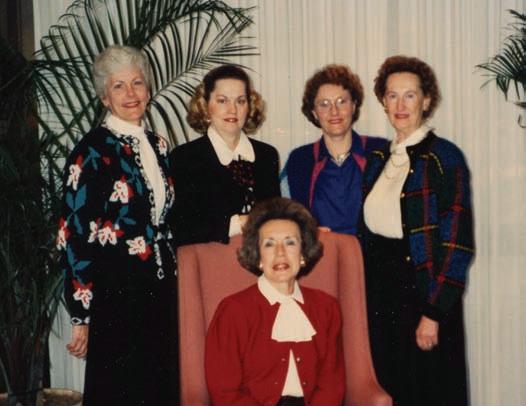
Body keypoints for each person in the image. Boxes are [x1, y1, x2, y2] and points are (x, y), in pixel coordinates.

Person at [56, 45, 177, 405]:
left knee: (160, 387)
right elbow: (73, 233)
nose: (130, 93)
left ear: (148, 89)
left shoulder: (159, 145)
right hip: (116, 293)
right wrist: (81, 314)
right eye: (118, 86)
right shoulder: (91, 150)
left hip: (161, 287)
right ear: (104, 97)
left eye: (137, 82)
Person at [361, 55, 474, 405]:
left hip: (424, 293)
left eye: (409, 95)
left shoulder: (444, 157)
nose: (400, 105)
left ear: (426, 101)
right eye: (392, 95)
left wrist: (433, 313)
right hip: (382, 294)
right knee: (390, 388)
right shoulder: (378, 160)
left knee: (429, 390)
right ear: (383, 101)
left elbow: (456, 245)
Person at [205, 197, 345, 405]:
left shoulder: (326, 308)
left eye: (290, 242)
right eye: (269, 244)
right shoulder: (233, 311)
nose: (280, 253)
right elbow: (224, 392)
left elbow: (331, 384)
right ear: (259, 257)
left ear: (303, 254)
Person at [170, 65, 281, 246]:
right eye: (222, 101)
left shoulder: (266, 155)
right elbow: (182, 228)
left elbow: (276, 216)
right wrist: (239, 223)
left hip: (262, 256)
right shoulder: (185, 157)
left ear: (249, 106)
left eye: (240, 101)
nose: (232, 110)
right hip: (211, 259)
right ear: (205, 106)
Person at [283, 64, 385, 235]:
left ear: (354, 105)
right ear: (314, 112)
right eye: (324, 104)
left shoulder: (379, 150)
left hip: (372, 249)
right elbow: (294, 220)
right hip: (322, 248)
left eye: (341, 102)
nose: (334, 111)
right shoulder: (300, 159)